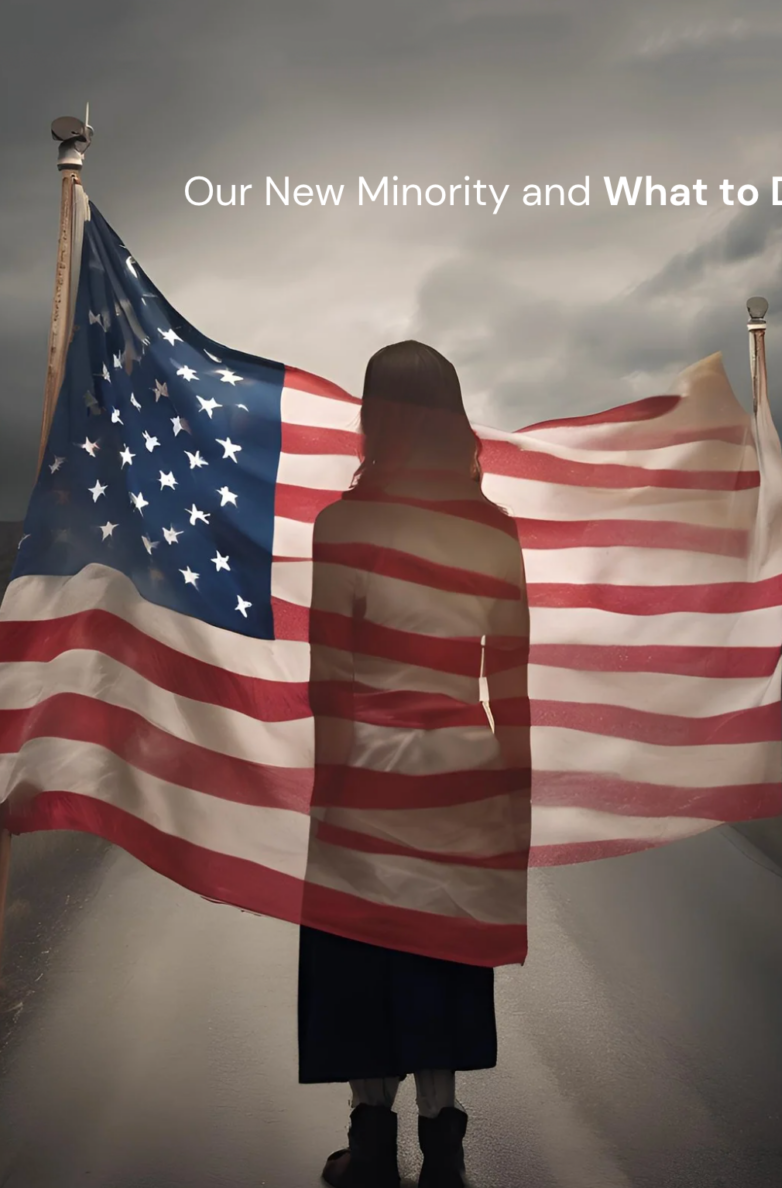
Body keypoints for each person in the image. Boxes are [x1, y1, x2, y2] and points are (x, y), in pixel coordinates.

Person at [298, 341, 532, 1188]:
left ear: (374, 418)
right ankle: (443, 1150)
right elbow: (511, 688)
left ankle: (369, 1149)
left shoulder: (343, 526)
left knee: (365, 957)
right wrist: (515, 808)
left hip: (370, 774)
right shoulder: (495, 529)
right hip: (465, 776)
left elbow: (333, 683)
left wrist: (326, 799)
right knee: (443, 958)